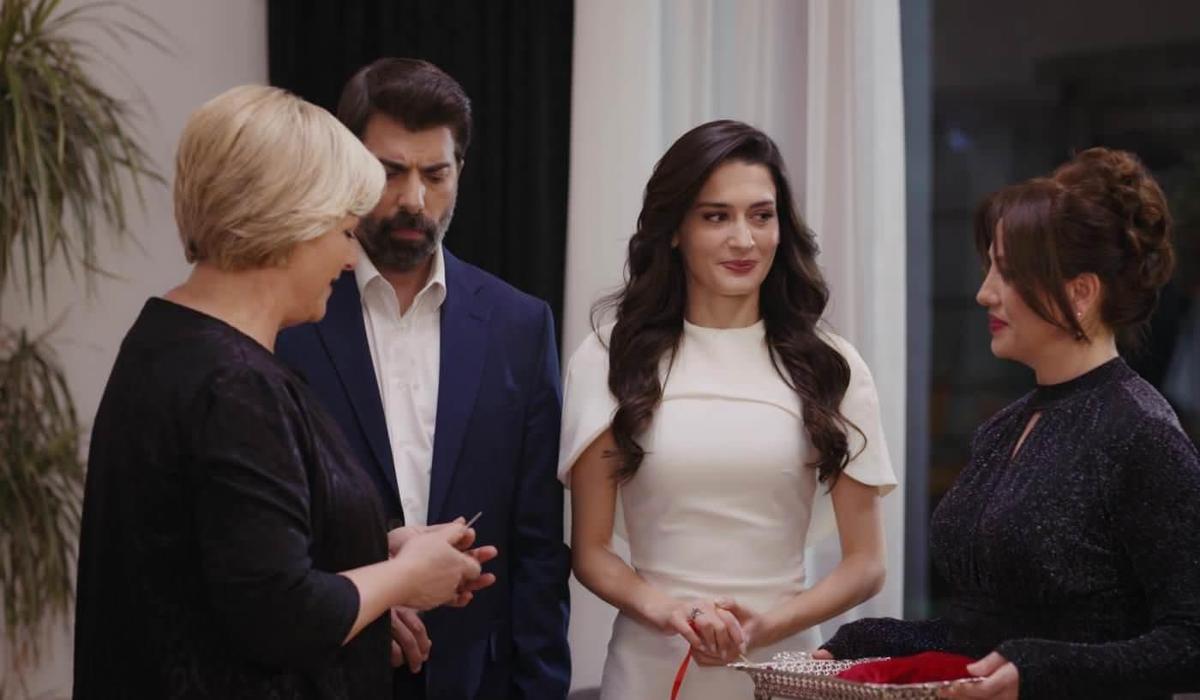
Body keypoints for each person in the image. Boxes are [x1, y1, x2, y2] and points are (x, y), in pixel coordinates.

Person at [73, 85, 495, 699]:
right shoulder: (234, 382)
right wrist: (405, 578)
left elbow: (226, 550)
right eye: (344, 231)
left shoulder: (169, 338)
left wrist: (371, 547)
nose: (349, 258)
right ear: (290, 223)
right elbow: (282, 615)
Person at [817, 147, 1200, 700]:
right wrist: (875, 639)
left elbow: (1190, 642)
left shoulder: (1142, 433)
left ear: (1080, 293)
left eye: (1009, 273)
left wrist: (1038, 668)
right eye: (990, 268)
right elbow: (986, 635)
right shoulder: (1004, 429)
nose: (984, 292)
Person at [559, 120, 898, 700]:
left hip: (786, 671)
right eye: (716, 217)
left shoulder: (832, 366)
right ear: (674, 231)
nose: (744, 239)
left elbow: (866, 564)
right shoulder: (609, 359)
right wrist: (670, 612)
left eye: (761, 216)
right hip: (646, 672)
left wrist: (765, 627)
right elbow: (590, 553)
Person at [275, 58, 571, 700]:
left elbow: (539, 548)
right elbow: (268, 529)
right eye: (390, 172)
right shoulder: (290, 318)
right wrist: (358, 604)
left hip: (479, 678)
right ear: (350, 168)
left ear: (459, 172)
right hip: (324, 669)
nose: (414, 199)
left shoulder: (521, 327)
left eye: (435, 175)